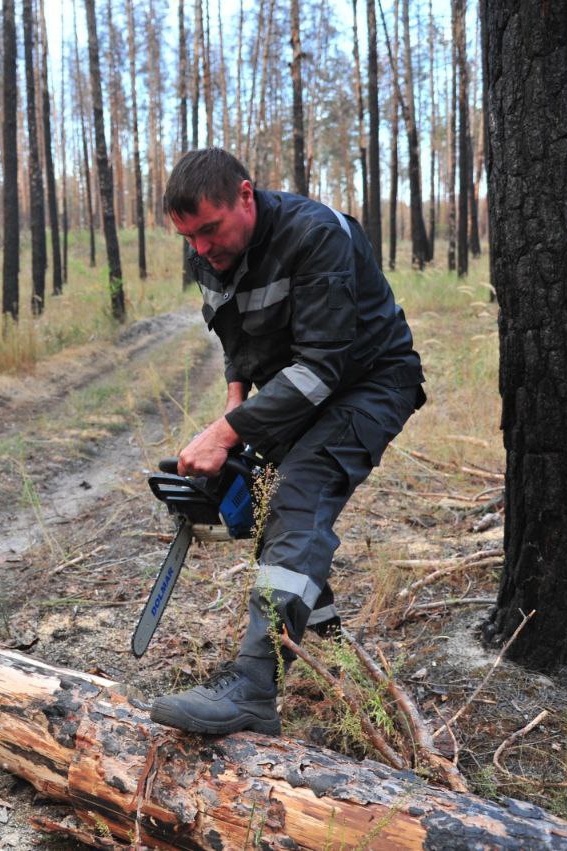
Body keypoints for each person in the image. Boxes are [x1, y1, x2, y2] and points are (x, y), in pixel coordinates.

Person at [149, 149, 425, 736]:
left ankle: (255, 682)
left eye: (208, 229)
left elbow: (324, 369)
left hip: (370, 381)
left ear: (245, 196)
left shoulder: (317, 235)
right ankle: (324, 643)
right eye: (188, 237)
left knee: (299, 492)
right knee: (273, 503)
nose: (199, 248)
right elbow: (237, 346)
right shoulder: (211, 257)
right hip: (298, 388)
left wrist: (228, 432)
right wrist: (233, 420)